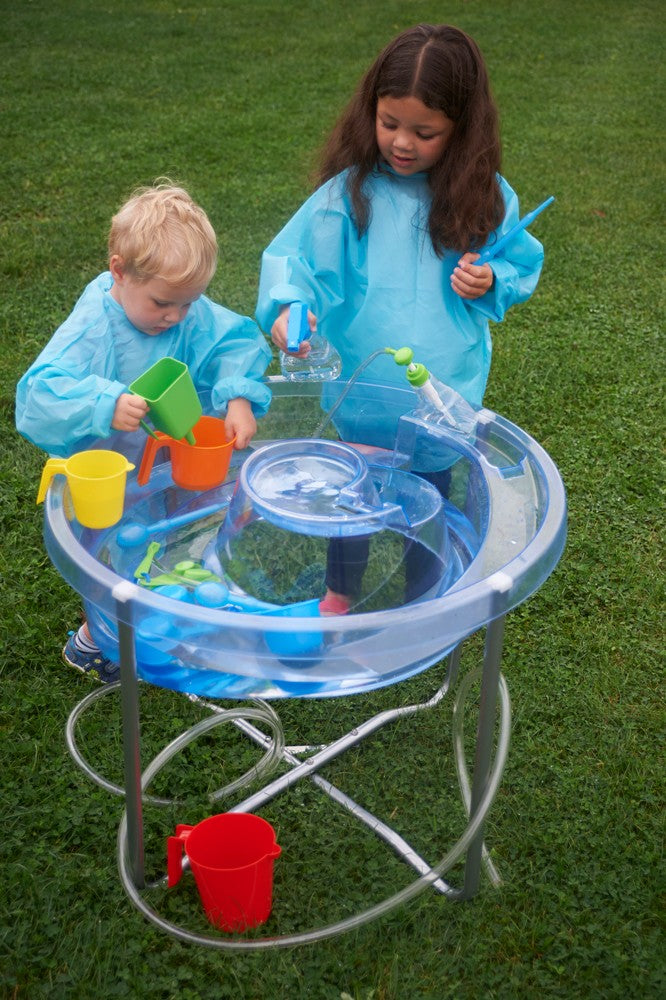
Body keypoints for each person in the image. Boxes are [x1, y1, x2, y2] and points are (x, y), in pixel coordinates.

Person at [256, 23, 546, 614]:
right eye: (389, 124)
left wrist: (491, 281)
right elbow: (296, 262)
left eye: (425, 132)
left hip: (443, 389)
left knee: (433, 497)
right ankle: (340, 593)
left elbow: (519, 263)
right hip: (362, 390)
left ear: (462, 131)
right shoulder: (351, 192)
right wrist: (290, 308)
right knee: (351, 494)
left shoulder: (486, 197)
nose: (402, 144)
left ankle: (425, 597)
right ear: (371, 113)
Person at [17, 181, 272, 680]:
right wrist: (103, 401)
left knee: (168, 536)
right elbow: (39, 395)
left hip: (169, 463)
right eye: (162, 304)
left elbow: (234, 340)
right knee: (114, 555)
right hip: (113, 471)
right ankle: (95, 640)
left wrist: (238, 394)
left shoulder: (183, 311)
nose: (175, 316)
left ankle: (168, 608)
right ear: (119, 271)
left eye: (188, 303)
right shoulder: (96, 327)